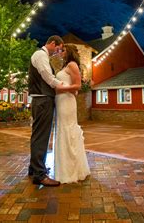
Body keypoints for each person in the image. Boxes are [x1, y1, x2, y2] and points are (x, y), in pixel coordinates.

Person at [28, 35, 74, 186]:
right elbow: (47, 77)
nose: (57, 52)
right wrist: (63, 85)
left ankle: (34, 169)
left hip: (41, 99)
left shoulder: (41, 55)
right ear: (53, 43)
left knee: (38, 135)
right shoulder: (40, 55)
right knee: (41, 136)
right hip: (43, 100)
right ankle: (40, 175)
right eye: (58, 48)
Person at [54, 44, 91, 183]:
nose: (60, 52)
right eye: (59, 50)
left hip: (67, 102)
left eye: (62, 50)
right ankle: (64, 169)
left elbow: (78, 86)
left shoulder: (73, 65)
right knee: (62, 130)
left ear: (68, 51)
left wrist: (60, 89)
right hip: (61, 100)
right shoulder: (66, 66)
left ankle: (71, 171)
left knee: (67, 131)